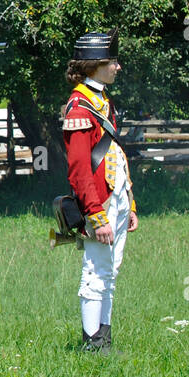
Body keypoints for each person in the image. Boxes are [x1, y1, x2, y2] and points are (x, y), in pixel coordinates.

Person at [62, 31, 137, 352]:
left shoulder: (101, 100)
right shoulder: (80, 108)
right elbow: (79, 170)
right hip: (100, 204)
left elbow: (114, 156)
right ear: (94, 65)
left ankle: (103, 340)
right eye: (112, 61)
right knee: (96, 270)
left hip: (116, 199)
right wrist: (95, 214)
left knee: (110, 269)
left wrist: (130, 204)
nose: (117, 67)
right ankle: (92, 342)